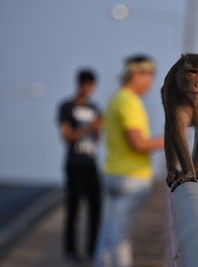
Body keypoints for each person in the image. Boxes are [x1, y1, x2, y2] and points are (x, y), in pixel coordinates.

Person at [95, 55, 164, 267]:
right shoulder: (130, 102)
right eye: (148, 77)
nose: (150, 83)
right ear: (135, 75)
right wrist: (170, 140)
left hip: (112, 173)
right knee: (119, 235)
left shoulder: (115, 98)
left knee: (108, 230)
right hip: (131, 178)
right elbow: (138, 144)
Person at [57, 69, 102, 262]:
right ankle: (71, 250)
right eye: (85, 84)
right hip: (74, 163)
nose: (88, 89)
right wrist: (88, 127)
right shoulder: (66, 106)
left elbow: (97, 139)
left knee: (96, 209)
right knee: (74, 208)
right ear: (79, 84)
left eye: (91, 85)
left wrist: (98, 129)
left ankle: (93, 250)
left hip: (91, 164)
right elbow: (66, 136)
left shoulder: (95, 108)